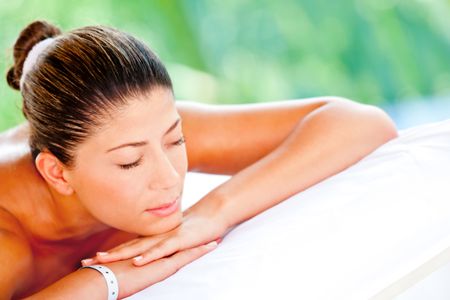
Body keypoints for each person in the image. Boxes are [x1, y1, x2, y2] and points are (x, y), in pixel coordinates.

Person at [0, 20, 398, 299]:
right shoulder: (8, 241)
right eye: (130, 163)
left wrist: (212, 213)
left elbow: (362, 124)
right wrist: (105, 279)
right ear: (57, 173)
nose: (170, 177)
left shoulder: (138, 127)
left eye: (176, 141)